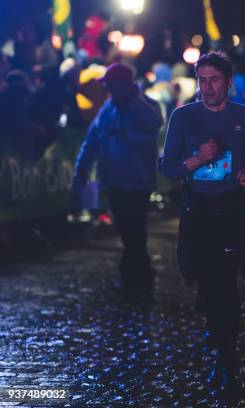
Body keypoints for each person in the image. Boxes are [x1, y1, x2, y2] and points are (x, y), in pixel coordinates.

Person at [158, 51, 245, 391]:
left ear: (228, 83)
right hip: (197, 209)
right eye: (202, 80)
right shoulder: (183, 117)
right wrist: (197, 160)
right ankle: (217, 330)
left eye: (214, 80)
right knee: (205, 278)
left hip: (232, 207)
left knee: (225, 280)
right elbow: (167, 168)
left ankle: (226, 353)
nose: (208, 87)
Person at [73, 62, 163, 300]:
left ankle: (134, 275)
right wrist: (82, 166)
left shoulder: (143, 105)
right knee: (127, 228)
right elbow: (92, 139)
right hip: (114, 180)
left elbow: (154, 125)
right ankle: (138, 273)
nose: (109, 89)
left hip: (137, 180)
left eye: (112, 85)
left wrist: (131, 113)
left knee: (134, 228)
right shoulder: (107, 109)